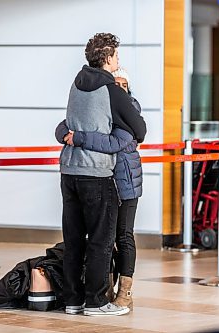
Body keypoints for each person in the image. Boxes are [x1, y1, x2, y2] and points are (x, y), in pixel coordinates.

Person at [59, 33, 146, 317]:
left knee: (73, 240)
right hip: (96, 173)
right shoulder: (111, 91)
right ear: (107, 58)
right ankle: (96, 302)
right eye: (117, 56)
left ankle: (73, 300)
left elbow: (66, 125)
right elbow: (139, 130)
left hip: (68, 171)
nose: (118, 61)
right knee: (100, 240)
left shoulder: (75, 84)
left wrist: (76, 135)